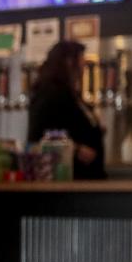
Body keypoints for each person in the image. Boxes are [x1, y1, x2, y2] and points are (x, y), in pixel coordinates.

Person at [28, 40, 105, 179]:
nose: (84, 66)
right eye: (82, 59)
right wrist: (76, 148)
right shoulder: (50, 93)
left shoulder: (71, 94)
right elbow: (40, 135)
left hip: (86, 175)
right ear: (69, 62)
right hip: (69, 176)